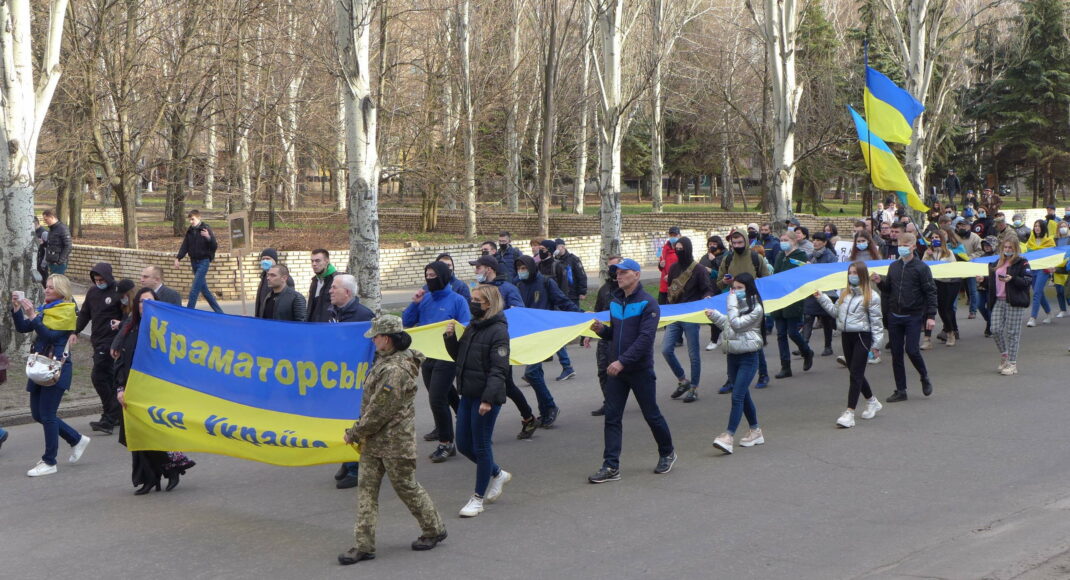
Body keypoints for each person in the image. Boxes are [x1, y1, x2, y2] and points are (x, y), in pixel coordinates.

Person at [338, 315, 447, 565]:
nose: (373, 341)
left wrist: (354, 432)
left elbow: (379, 411)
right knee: (366, 491)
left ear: (386, 339)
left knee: (407, 488)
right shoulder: (386, 361)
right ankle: (363, 545)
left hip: (395, 442)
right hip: (375, 441)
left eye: (375, 337)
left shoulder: (395, 370)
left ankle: (434, 529)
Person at [588, 259, 676, 482]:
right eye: (617, 273)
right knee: (612, 417)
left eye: (624, 272)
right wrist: (601, 330)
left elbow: (645, 340)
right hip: (617, 370)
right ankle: (611, 466)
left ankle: (667, 452)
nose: (619, 276)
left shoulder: (648, 304)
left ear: (636, 275)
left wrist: (622, 361)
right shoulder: (616, 302)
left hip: (639, 370)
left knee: (651, 414)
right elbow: (615, 335)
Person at [115, 288, 196, 494]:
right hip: (132, 390)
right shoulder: (130, 328)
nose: (145, 305)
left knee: (153, 433)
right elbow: (120, 361)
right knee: (136, 436)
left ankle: (171, 468)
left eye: (150, 301)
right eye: (142, 301)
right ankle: (149, 478)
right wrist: (120, 388)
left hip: (156, 391)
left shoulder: (166, 331)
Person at [443, 286, 512, 517]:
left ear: (489, 304)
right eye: (471, 299)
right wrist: (450, 339)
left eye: (476, 300)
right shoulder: (473, 326)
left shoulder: (498, 331)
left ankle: (477, 499)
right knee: (463, 445)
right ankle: (497, 473)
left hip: (486, 398)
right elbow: (460, 358)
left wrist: (488, 399)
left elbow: (499, 369)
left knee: (482, 446)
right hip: (468, 394)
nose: (472, 304)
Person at [12, 275, 91, 477]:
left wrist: (33, 316)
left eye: (51, 288)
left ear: (61, 292)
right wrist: (17, 310)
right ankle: (76, 439)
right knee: (38, 414)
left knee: (47, 415)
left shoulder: (66, 310)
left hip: (56, 369)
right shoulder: (45, 309)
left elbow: (50, 336)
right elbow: (23, 328)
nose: (46, 290)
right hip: (39, 365)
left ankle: (50, 461)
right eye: (46, 287)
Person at [402, 261, 470, 463]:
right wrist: (414, 302)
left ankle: (446, 443)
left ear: (442, 276)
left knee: (436, 399)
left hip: (448, 356)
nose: (429, 279)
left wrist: (453, 329)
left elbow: (466, 325)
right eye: (427, 275)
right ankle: (466, 422)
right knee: (445, 394)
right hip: (427, 356)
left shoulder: (457, 300)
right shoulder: (425, 298)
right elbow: (407, 321)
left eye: (433, 275)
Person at [469, 255, 538, 439]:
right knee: (503, 385)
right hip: (481, 344)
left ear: (489, 269)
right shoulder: (478, 289)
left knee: (503, 385)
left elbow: (519, 312)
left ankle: (527, 417)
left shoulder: (508, 289)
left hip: (501, 343)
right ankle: (528, 417)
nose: (475, 271)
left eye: (478, 268)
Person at [514, 255, 583, 428]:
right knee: (535, 374)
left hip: (543, 334)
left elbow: (562, 301)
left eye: (524, 268)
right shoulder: (519, 285)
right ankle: (545, 411)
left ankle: (551, 406)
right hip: (527, 334)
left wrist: (580, 316)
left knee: (531, 373)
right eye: (519, 268)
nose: (521, 271)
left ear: (531, 267)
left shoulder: (545, 283)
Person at [815, 262, 884, 428]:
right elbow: (835, 313)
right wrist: (822, 298)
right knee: (855, 372)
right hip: (846, 335)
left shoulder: (872, 296)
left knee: (856, 374)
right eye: (850, 272)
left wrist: (876, 345)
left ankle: (849, 412)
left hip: (862, 336)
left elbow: (877, 322)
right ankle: (872, 401)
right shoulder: (844, 294)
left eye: (855, 273)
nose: (851, 275)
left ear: (862, 275)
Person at [706, 273, 766, 454]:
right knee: (743, 394)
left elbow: (738, 324)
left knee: (737, 396)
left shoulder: (756, 308)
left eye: (740, 288)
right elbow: (729, 324)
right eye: (734, 288)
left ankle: (728, 435)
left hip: (749, 356)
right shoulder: (736, 306)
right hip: (733, 355)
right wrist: (715, 315)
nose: (736, 292)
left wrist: (730, 302)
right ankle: (755, 430)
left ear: (749, 288)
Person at [873, 233, 937, 402]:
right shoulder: (893, 266)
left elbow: (930, 292)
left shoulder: (921, 268)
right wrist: (880, 282)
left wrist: (930, 316)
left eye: (906, 244)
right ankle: (901, 390)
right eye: (900, 243)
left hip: (914, 315)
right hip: (895, 315)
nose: (902, 246)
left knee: (912, 350)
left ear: (913, 246)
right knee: (896, 353)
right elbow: (888, 289)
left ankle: (924, 376)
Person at [327, 273, 375, 489]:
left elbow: (373, 348)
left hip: (357, 380)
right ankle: (347, 460)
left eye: (334, 288)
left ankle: (356, 468)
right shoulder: (332, 311)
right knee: (340, 419)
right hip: (337, 377)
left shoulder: (364, 316)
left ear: (346, 292)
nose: (330, 291)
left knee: (355, 421)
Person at [77, 262, 125, 436]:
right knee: (110, 380)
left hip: (112, 341)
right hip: (97, 341)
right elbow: (84, 314)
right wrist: (75, 331)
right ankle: (116, 414)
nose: (99, 282)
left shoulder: (118, 292)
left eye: (102, 279)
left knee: (98, 376)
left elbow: (128, 315)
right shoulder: (93, 292)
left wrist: (121, 332)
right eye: (96, 280)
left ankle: (109, 418)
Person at [663, 237, 713, 403]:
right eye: (676, 248)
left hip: (691, 315)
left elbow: (706, 288)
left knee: (693, 354)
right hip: (675, 314)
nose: (678, 251)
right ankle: (683, 380)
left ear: (688, 249)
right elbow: (670, 290)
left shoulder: (698, 269)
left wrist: (706, 298)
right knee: (666, 349)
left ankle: (694, 388)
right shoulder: (673, 268)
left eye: (681, 248)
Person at [986, 240, 1033, 376]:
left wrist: (1012, 279)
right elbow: (993, 281)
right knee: (994, 329)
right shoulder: (997, 262)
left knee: (1013, 333)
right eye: (1005, 247)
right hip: (999, 301)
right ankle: (1005, 356)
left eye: (1010, 247)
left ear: (1016, 249)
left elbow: (1027, 281)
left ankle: (1012, 364)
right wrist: (982, 280)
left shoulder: (1022, 262)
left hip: (1014, 301)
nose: (1007, 249)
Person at [771, 233, 813, 379]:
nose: (783, 243)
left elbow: (802, 275)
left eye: (786, 240)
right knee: (781, 334)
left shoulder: (800, 255)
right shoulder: (780, 256)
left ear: (794, 241)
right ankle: (785, 366)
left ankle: (807, 351)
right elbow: (776, 274)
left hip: (793, 298)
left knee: (792, 332)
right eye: (781, 240)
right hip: (779, 297)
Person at [533, 239, 577, 381]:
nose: (540, 251)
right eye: (539, 248)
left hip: (554, 308)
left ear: (551, 251)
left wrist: (560, 309)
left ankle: (567, 366)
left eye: (543, 249)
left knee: (554, 338)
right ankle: (533, 371)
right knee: (540, 338)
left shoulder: (558, 266)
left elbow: (563, 290)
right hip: (541, 308)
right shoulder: (538, 266)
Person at [173, 210, 223, 314]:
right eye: (190, 219)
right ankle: (220, 313)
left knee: (195, 288)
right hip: (194, 262)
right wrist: (178, 258)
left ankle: (188, 313)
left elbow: (214, 246)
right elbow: (185, 245)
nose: (191, 221)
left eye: (193, 219)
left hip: (204, 261)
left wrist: (208, 237)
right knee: (205, 291)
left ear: (199, 218)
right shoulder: (190, 231)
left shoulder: (206, 228)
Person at [591, 256, 623, 416]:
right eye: (609, 267)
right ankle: (609, 402)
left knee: (626, 372)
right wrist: (588, 334)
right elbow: (597, 311)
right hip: (605, 336)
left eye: (615, 267)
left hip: (622, 336)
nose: (612, 271)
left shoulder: (626, 287)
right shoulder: (604, 288)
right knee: (603, 371)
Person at [921, 230, 960, 349]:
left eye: (937, 237)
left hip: (946, 283)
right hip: (931, 284)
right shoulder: (928, 253)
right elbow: (923, 268)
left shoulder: (949, 253)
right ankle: (927, 339)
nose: (934, 239)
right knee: (927, 310)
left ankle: (950, 333)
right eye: (932, 237)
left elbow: (952, 269)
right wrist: (927, 256)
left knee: (944, 310)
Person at [802, 233, 838, 357]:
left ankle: (828, 346)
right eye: (814, 240)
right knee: (808, 317)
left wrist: (814, 269)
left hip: (826, 293)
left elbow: (831, 274)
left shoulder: (830, 256)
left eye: (818, 240)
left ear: (824, 242)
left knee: (826, 321)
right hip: (812, 292)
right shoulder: (810, 256)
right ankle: (804, 346)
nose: (815, 242)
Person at [1025, 219, 1056, 327]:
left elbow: (1053, 256)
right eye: (1035, 226)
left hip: (1043, 269)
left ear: (1043, 228)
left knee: (1037, 292)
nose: (1036, 228)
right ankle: (1049, 313)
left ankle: (1033, 318)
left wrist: (1052, 265)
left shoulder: (1049, 241)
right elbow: (1026, 254)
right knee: (1039, 292)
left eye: (1038, 226)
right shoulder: (1031, 240)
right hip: (1032, 269)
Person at [700, 235, 726, 350]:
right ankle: (720, 333)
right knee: (707, 314)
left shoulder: (725, 255)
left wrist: (713, 261)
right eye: (710, 244)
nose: (712, 246)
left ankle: (714, 339)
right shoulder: (705, 257)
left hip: (720, 288)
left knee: (716, 314)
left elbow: (723, 270)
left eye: (714, 244)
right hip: (707, 288)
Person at [254, 249, 294, 318]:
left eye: (268, 259)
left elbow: (289, 300)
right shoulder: (263, 277)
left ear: (275, 261)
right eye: (263, 259)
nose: (265, 261)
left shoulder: (285, 278)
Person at [975, 236, 999, 337]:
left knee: (990, 307)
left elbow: (997, 273)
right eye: (985, 245)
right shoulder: (981, 257)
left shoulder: (998, 258)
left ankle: (990, 327)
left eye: (989, 244)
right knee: (980, 305)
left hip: (992, 286)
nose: (986, 246)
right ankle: (989, 321)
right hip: (981, 286)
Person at [554, 238, 588, 307]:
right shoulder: (554, 260)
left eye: (556, 247)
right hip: (560, 293)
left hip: (572, 294)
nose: (555, 249)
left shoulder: (573, 259)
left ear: (563, 247)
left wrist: (582, 292)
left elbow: (581, 275)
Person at [306, 249, 338, 322]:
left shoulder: (336, 280)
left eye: (317, 261)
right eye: (312, 261)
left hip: (329, 327)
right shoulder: (315, 280)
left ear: (327, 261)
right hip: (312, 327)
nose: (314, 264)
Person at [41, 209, 72, 276]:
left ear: (52, 217)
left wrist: (59, 261)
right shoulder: (52, 229)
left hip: (58, 263)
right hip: (52, 261)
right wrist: (43, 243)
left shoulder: (62, 228)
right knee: (53, 283)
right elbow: (53, 245)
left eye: (46, 219)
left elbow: (68, 246)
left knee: (57, 284)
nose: (45, 221)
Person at [657, 226, 681, 304]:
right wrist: (660, 265)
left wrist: (671, 275)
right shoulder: (664, 249)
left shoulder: (682, 249)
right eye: (671, 235)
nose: (673, 237)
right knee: (662, 307)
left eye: (675, 235)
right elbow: (661, 268)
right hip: (664, 284)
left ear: (679, 236)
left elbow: (684, 267)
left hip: (677, 282)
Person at [1054, 223, 1069, 318]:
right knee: (1059, 291)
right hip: (1057, 267)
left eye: (1064, 226)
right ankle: (1063, 310)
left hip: (1067, 267)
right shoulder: (1055, 240)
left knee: (1067, 290)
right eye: (1061, 227)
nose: (1062, 228)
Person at [33, 216, 48, 285]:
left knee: (43, 281)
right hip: (36, 260)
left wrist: (43, 263)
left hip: (42, 261)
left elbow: (47, 249)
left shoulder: (44, 233)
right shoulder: (33, 232)